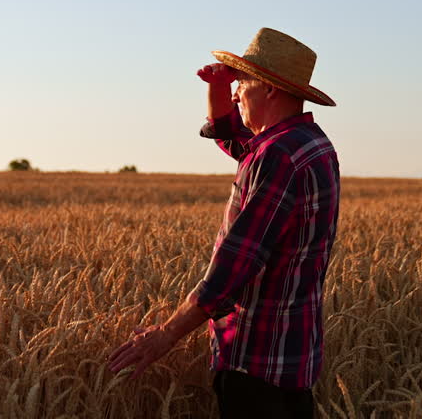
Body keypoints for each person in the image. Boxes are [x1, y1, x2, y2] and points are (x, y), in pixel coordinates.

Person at [108, 27, 341, 419]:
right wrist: (217, 88)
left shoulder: (278, 156)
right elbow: (237, 141)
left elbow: (237, 264)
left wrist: (165, 335)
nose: (235, 92)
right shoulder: (309, 144)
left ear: (269, 90)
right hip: (291, 355)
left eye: (242, 82)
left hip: (256, 359)